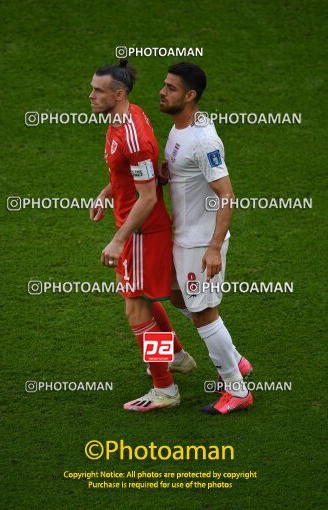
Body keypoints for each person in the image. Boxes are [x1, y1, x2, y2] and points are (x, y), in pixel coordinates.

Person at [89, 60, 196, 412]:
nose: (91, 96)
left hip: (141, 232)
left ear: (119, 94)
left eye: (98, 91)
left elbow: (148, 196)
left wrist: (119, 239)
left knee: (135, 309)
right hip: (139, 228)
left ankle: (165, 388)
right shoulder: (124, 117)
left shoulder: (132, 133)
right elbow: (135, 178)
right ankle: (177, 356)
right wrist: (108, 193)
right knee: (146, 299)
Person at [159, 62, 253, 415]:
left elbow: (226, 196)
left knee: (203, 313)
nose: (162, 92)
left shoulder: (204, 140)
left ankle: (236, 388)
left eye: (170, 87)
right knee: (173, 293)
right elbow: (185, 173)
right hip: (183, 238)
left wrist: (214, 247)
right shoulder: (179, 129)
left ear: (190, 95)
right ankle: (235, 360)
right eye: (164, 85)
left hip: (201, 242)